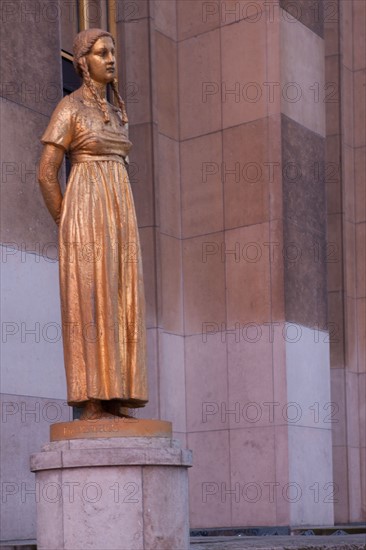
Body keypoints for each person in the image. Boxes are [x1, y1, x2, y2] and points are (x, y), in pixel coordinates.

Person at [38, 28, 148, 420]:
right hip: (85, 212)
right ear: (83, 62)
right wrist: (66, 222)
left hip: (120, 211)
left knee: (121, 295)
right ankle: (92, 399)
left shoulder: (118, 113)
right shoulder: (70, 107)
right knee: (91, 299)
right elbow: (46, 173)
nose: (112, 59)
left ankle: (118, 394)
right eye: (102, 53)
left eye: (114, 52)